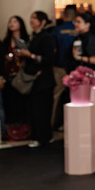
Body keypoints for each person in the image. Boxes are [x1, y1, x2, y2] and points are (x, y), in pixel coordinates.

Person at [13, 11, 57, 148]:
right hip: (34, 79)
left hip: (44, 79)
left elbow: (48, 58)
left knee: (42, 110)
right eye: (31, 17)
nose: (32, 20)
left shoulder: (46, 37)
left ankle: (43, 137)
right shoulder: (33, 36)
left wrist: (30, 55)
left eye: (35, 18)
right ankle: (39, 136)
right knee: (35, 109)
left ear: (42, 22)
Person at [1, 15, 31, 138]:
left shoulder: (27, 39)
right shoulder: (6, 41)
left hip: (22, 75)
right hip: (9, 74)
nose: (11, 24)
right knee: (10, 102)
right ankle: (12, 129)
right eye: (10, 22)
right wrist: (6, 57)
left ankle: (24, 128)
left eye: (15, 21)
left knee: (22, 102)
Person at [51, 4, 78, 127]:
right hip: (76, 70)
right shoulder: (78, 30)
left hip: (59, 67)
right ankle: (74, 124)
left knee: (57, 96)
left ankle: (53, 123)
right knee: (76, 96)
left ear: (64, 15)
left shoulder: (56, 31)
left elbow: (53, 50)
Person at [66, 11, 95, 83]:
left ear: (87, 24)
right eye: (75, 22)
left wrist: (78, 57)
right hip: (79, 78)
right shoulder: (79, 37)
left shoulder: (90, 38)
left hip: (87, 79)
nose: (76, 24)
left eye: (79, 22)